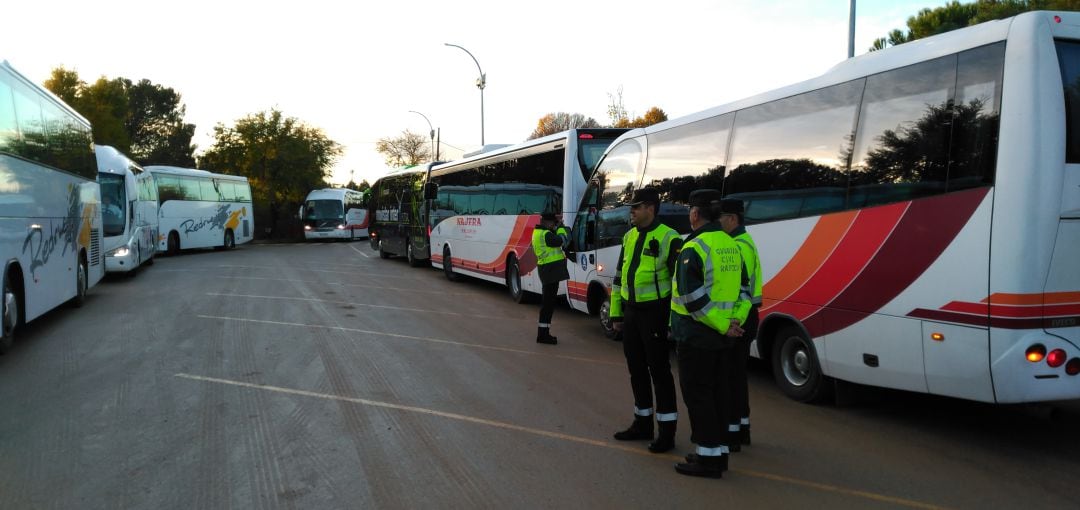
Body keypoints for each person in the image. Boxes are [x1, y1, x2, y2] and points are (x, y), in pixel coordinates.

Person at [670, 189, 750, 478]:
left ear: (694, 214)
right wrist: (733, 322)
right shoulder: (731, 245)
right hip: (723, 337)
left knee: (698, 396)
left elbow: (692, 298)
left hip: (697, 336)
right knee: (717, 394)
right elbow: (745, 291)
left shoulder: (694, 247)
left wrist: (720, 324)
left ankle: (707, 458)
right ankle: (718, 453)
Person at [610, 187, 683, 453]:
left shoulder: (670, 238)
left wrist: (672, 320)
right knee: (636, 371)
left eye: (636, 207)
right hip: (631, 314)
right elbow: (619, 278)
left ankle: (667, 433)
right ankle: (642, 423)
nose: (631, 212)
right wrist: (616, 313)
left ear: (651, 208)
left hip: (656, 313)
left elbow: (679, 284)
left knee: (660, 373)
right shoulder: (629, 237)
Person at [719, 198, 760, 450]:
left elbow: (740, 291)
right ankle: (741, 428)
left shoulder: (738, 246)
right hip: (746, 316)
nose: (717, 222)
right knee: (736, 377)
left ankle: (733, 433)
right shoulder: (744, 242)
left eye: (721, 217)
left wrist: (732, 321)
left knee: (730, 378)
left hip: (740, 318)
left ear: (732, 219)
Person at [532, 212, 569, 345]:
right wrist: (560, 227)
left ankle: (543, 333)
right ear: (547, 222)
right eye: (553, 223)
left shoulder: (537, 233)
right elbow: (562, 240)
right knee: (547, 305)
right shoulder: (546, 234)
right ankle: (543, 335)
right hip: (550, 271)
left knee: (547, 304)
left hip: (546, 270)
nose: (554, 225)